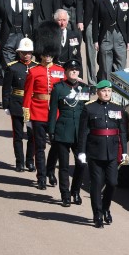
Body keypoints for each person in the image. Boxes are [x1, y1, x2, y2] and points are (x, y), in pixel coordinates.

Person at [78, 79, 128, 228]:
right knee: (97, 183)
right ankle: (97, 214)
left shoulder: (118, 109)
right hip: (94, 152)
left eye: (109, 91)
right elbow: (83, 132)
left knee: (112, 183)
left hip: (112, 153)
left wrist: (124, 151)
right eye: (104, 91)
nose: (107, 94)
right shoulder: (89, 109)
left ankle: (106, 208)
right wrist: (81, 151)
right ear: (98, 92)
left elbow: (122, 132)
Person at [22, 21, 65, 190]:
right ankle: (41, 177)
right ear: (40, 54)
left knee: (56, 146)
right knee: (39, 147)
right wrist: (27, 115)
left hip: (55, 114)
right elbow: (28, 95)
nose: (47, 56)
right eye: (45, 54)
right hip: (38, 112)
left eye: (50, 54)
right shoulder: (33, 72)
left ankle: (50, 171)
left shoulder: (60, 72)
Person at [48, 58, 89, 207]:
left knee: (81, 164)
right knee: (64, 165)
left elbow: (87, 113)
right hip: (63, 131)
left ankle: (75, 191)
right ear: (65, 72)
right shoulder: (58, 88)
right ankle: (65, 194)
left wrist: (88, 132)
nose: (74, 72)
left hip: (80, 133)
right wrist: (51, 131)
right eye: (71, 70)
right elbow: (53, 111)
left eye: (76, 70)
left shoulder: (84, 89)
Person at [2, 38, 37, 171]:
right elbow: (6, 88)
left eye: (28, 52)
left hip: (32, 104)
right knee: (18, 135)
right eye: (23, 52)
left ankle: (30, 161)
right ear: (19, 53)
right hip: (17, 103)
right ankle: (19, 162)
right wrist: (6, 105)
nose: (26, 55)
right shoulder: (13, 67)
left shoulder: (36, 66)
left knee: (32, 135)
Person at [0, 0, 38, 72]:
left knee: (24, 61)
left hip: (24, 35)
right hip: (8, 35)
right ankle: (9, 83)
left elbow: (34, 21)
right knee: (8, 64)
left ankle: (19, 83)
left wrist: (35, 38)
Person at [93, 0, 129, 81]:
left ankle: (119, 89)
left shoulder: (126, 2)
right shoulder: (101, 2)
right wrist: (95, 40)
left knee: (121, 67)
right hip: (106, 37)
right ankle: (107, 89)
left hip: (120, 38)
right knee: (106, 67)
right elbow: (96, 22)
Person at [77, 0, 108, 85]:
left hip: (104, 21)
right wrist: (80, 20)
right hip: (89, 20)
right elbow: (80, 1)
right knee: (90, 52)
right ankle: (92, 82)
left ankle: (102, 78)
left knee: (104, 51)